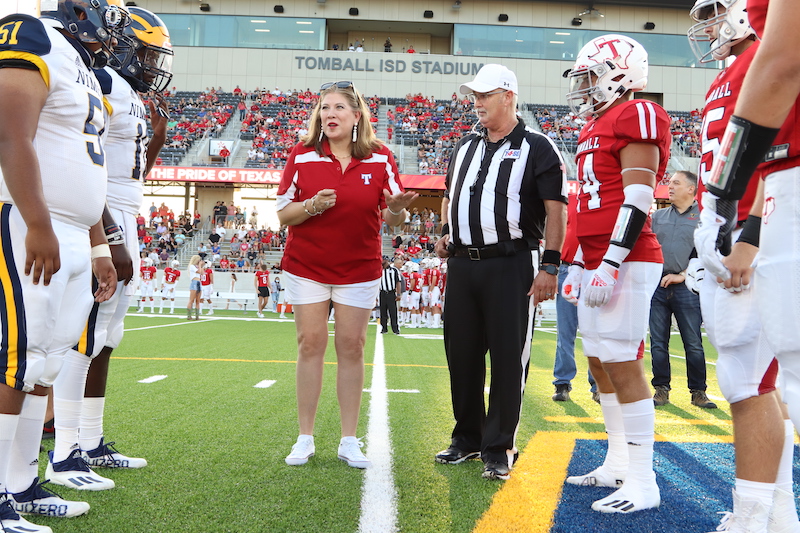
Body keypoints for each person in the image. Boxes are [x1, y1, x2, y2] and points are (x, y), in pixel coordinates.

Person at [0, 0, 127, 528]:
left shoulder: (83, 65)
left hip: (73, 231)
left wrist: (98, 246)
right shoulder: (33, 34)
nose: (114, 31)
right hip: (32, 223)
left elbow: (83, 165)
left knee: (47, 363)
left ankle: (22, 484)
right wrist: (38, 222)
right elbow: (9, 133)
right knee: (18, 359)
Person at [688, 0, 799, 528]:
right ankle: (775, 512)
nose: (708, 26)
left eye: (716, 13)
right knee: (757, 379)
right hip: (744, 219)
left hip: (761, 222)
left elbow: (775, 148)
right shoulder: (729, 72)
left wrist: (746, 231)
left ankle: (753, 514)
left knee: (750, 379)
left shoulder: (761, 56)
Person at [433, 64, 567, 481]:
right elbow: (449, 195)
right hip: (462, 263)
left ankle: (499, 446)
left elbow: (555, 209)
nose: (477, 102)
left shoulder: (538, 146)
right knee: (462, 355)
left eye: (485, 94)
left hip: (512, 264)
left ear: (508, 96)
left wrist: (550, 263)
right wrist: (443, 232)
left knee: (509, 358)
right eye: (474, 94)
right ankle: (467, 438)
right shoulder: (464, 146)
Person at [276, 80, 417, 469]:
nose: (330, 115)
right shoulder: (301, 154)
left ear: (357, 116)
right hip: (307, 266)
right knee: (310, 343)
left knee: (352, 346)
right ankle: (305, 437)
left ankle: (349, 439)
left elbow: (394, 220)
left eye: (339, 108)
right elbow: (284, 215)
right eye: (324, 108)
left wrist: (397, 208)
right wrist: (311, 205)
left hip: (359, 267)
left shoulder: (381, 157)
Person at [561, 34, 668, 513]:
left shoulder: (635, 113)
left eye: (589, 77)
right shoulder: (595, 125)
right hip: (596, 259)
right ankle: (618, 461)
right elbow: (587, 202)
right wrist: (580, 261)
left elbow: (639, 198)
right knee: (599, 360)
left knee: (622, 360)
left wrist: (609, 261)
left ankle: (644, 481)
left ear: (617, 74)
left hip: (626, 258)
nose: (583, 87)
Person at [648, 170, 716, 408]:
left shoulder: (704, 217)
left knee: (693, 342)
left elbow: (707, 253)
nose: (670, 186)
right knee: (658, 342)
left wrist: (682, 275)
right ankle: (661, 389)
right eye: (669, 182)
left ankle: (698, 392)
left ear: (691, 189)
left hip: (688, 286)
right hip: (658, 286)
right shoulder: (658, 216)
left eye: (676, 182)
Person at [552, 194, 597, 402]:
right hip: (567, 269)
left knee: (596, 333)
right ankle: (562, 383)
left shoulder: (603, 201)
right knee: (565, 333)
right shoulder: (569, 200)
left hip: (595, 271)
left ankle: (598, 384)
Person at [379, 256, 402, 334]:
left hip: (391, 293)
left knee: (393, 312)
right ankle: (384, 328)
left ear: (387, 260)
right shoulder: (379, 270)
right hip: (382, 292)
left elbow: (398, 282)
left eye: (383, 260)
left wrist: (398, 294)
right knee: (383, 311)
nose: (382, 261)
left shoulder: (394, 270)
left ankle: (395, 328)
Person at [187, 255, 203, 320]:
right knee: (191, 300)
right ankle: (189, 315)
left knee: (198, 300)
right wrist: (199, 265)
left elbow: (202, 272)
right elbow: (198, 272)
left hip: (199, 282)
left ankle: (197, 315)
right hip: (194, 281)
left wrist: (201, 266)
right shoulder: (192, 266)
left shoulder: (197, 267)